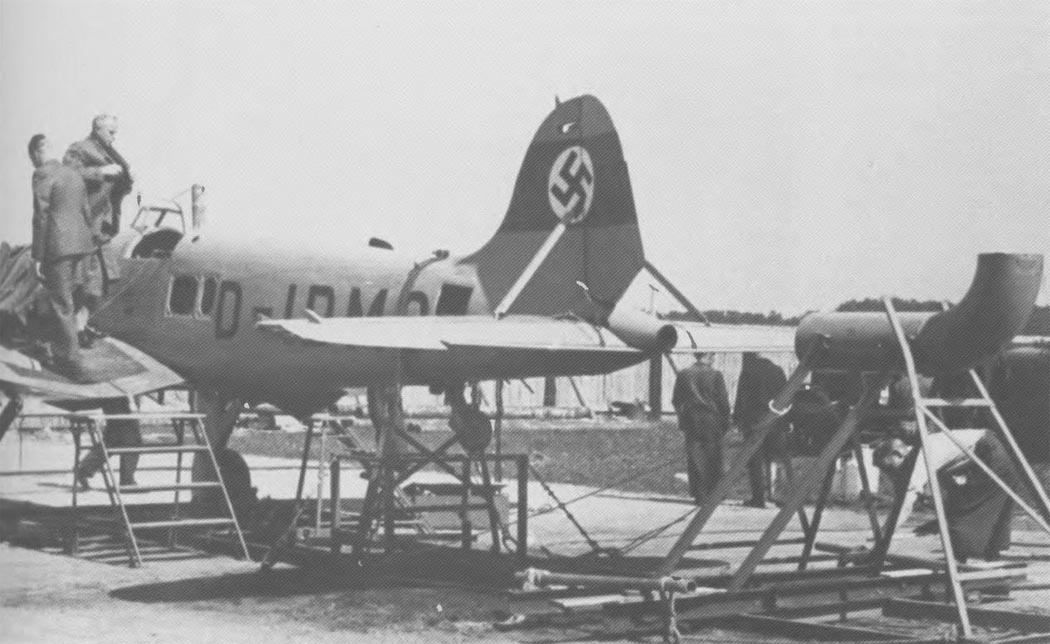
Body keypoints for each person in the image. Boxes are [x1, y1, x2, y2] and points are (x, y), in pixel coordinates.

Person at [874, 428, 1023, 562]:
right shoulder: (926, 457)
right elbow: (950, 490)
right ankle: (986, 556)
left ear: (897, 454)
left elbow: (905, 504)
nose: (890, 474)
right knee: (965, 509)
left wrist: (884, 537)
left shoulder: (920, 457)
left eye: (888, 467)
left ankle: (964, 561)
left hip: (991, 453)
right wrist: (942, 517)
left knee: (966, 514)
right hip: (992, 451)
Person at [29, 134, 99, 379]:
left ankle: (70, 363)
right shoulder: (73, 173)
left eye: (32, 158)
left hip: (59, 248)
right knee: (74, 299)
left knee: (61, 304)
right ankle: (67, 349)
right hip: (83, 246)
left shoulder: (42, 174)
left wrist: (38, 255)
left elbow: (41, 216)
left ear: (36, 153)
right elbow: (86, 211)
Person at [63, 114, 133, 290]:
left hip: (103, 227)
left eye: (115, 133)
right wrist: (101, 172)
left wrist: (128, 179)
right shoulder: (80, 148)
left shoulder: (110, 153)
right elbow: (67, 176)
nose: (114, 137)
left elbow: (117, 189)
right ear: (97, 129)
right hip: (87, 223)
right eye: (110, 132)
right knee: (84, 284)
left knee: (100, 285)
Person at [672, 353, 731, 503]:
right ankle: (714, 492)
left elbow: (676, 400)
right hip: (712, 418)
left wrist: (683, 416)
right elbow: (722, 400)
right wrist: (726, 419)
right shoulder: (715, 375)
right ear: (707, 355)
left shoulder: (684, 374)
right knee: (713, 456)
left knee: (695, 457)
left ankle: (700, 493)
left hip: (692, 419)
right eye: (712, 355)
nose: (714, 358)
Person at [733, 352, 787, 508]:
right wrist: (785, 420)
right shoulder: (777, 370)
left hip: (753, 420)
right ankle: (779, 495)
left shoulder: (748, 372)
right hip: (774, 419)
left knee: (755, 460)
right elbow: (786, 395)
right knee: (777, 457)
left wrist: (737, 418)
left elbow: (741, 397)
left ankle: (758, 497)